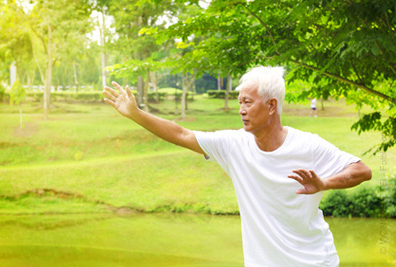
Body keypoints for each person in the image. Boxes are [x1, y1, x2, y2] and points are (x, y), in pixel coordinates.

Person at [103, 66, 372, 267]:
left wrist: (325, 183)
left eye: (247, 102)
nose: (240, 109)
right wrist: (136, 114)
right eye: (239, 102)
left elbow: (362, 170)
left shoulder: (308, 145)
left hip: (314, 262)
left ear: (271, 105)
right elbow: (182, 134)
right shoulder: (233, 145)